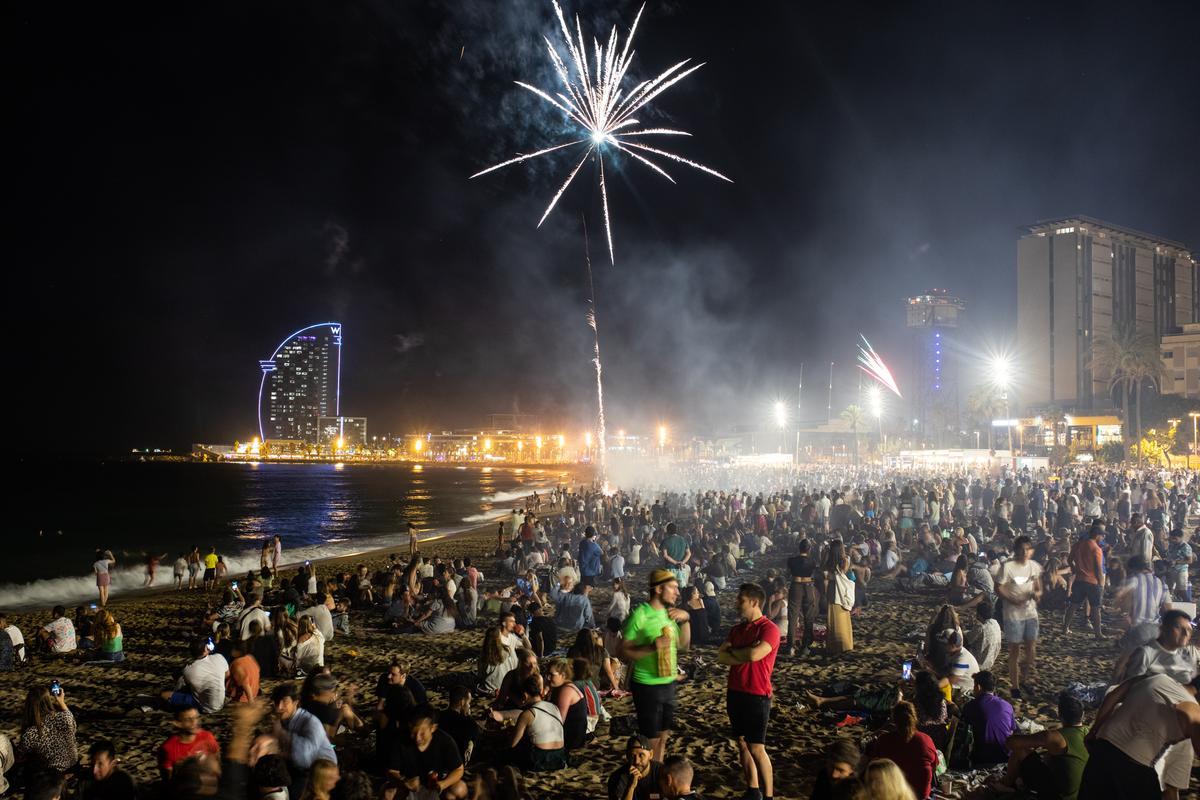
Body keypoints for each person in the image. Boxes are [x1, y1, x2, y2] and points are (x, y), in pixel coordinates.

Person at [1079, 672, 1200, 799]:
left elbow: (1113, 696)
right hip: (1134, 766)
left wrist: (1094, 731)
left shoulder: (1155, 677)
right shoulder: (1193, 708)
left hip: (1102, 750)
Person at [621, 569, 693, 763]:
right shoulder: (641, 614)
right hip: (647, 685)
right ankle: (649, 786)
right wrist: (652, 647)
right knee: (650, 742)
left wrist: (686, 619)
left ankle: (657, 777)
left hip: (668, 683)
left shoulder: (670, 614)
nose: (678, 592)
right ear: (659, 589)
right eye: (674, 588)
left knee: (663, 738)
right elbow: (623, 651)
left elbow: (683, 646)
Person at [717, 582, 779, 800]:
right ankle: (753, 790)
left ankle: (769, 795)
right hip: (735, 691)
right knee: (742, 744)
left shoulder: (769, 628)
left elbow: (756, 655)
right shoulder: (737, 629)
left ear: (754, 602)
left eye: (740, 600)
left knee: (757, 748)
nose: (737, 603)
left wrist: (735, 652)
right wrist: (741, 653)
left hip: (757, 694)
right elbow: (721, 657)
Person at [1003, 693, 1088, 800]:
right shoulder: (1090, 732)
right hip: (1085, 792)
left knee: (1021, 749)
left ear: (1060, 715)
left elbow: (1010, 742)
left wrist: (1033, 742)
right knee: (1049, 756)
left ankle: (1005, 784)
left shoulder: (1054, 737)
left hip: (1060, 796)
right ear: (1083, 715)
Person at [385, 703, 468, 799]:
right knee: (388, 792)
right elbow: (391, 772)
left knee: (460, 788)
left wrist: (442, 784)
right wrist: (403, 782)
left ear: (433, 728)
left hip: (437, 786)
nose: (417, 738)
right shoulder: (400, 741)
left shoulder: (445, 741)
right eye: (414, 732)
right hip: (410, 789)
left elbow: (459, 769)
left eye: (422, 733)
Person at [995, 536, 1043, 698]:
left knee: (1031, 649)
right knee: (1014, 650)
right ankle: (1015, 686)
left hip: (1030, 612)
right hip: (1013, 614)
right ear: (1016, 550)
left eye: (1027, 549)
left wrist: (1036, 594)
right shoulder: (1007, 567)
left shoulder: (1034, 567)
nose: (1024, 552)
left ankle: (1024, 678)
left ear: (1031, 551)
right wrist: (1011, 599)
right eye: (1021, 549)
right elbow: (998, 588)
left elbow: (1038, 588)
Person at [863, 701, 937, 800]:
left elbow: (873, 764)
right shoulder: (926, 739)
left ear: (893, 720)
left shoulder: (884, 740)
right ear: (914, 717)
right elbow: (934, 767)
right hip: (921, 795)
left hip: (893, 795)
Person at [273, 681, 337, 795]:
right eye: (277, 702)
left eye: (285, 702)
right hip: (302, 768)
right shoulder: (283, 721)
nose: (280, 707)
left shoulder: (310, 722)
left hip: (323, 772)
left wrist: (282, 734)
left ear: (295, 702)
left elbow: (304, 759)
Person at [495, 673, 567, 772]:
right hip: (560, 757)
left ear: (525, 695)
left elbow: (512, 744)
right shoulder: (554, 707)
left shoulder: (528, 714)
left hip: (540, 760)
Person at [1122, 608, 1199, 683]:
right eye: (1178, 628)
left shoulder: (1186, 654)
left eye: (1189, 630)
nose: (1185, 634)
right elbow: (1129, 687)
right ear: (1164, 629)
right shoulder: (1145, 654)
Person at [18, 685, 78, 773]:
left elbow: (20, 755)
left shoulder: (30, 733)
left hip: (53, 774)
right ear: (48, 701)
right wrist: (61, 701)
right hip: (74, 765)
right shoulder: (64, 717)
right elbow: (69, 715)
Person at [960, 670, 1014, 765]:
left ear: (978, 687)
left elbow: (963, 730)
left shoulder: (971, 705)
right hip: (1007, 756)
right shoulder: (1007, 705)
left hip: (983, 759)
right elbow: (1012, 730)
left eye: (974, 686)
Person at [162, 637, 229, 713]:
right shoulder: (219, 657)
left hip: (205, 707)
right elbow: (227, 674)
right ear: (205, 650)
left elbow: (186, 684)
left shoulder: (188, 670)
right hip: (220, 702)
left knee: (164, 695)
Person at [1063, 525, 1106, 639]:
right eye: (1102, 536)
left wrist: (1075, 569)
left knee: (1073, 606)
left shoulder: (1078, 545)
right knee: (1096, 609)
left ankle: (1065, 628)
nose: (1102, 538)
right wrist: (1101, 583)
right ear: (1097, 536)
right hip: (1092, 581)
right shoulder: (1096, 549)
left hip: (1080, 579)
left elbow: (1069, 560)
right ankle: (1098, 633)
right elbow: (1098, 568)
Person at [157, 707, 219, 779]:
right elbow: (168, 780)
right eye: (188, 719)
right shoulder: (168, 748)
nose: (194, 722)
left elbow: (216, 759)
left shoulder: (207, 736)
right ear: (177, 723)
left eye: (196, 717)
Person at [1113, 555, 1170, 628]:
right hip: (1156, 629)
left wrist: (1119, 606)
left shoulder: (1134, 580)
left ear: (1133, 569)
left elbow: (1119, 596)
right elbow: (1168, 609)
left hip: (1138, 628)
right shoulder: (1162, 584)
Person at [786, 539, 820, 657]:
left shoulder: (791, 560)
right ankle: (805, 646)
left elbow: (788, 573)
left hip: (796, 586)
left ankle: (790, 646)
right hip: (808, 587)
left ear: (798, 548)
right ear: (809, 549)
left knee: (793, 617)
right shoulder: (812, 561)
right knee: (808, 617)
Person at [608, 734, 664, 800]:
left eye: (641, 755)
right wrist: (631, 787)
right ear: (627, 756)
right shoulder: (617, 778)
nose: (636, 761)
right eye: (632, 756)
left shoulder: (661, 772)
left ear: (651, 754)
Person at [824, 540, 854, 656]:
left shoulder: (829, 562)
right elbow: (845, 572)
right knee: (843, 614)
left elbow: (822, 568)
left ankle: (833, 645)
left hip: (832, 587)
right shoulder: (844, 560)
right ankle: (845, 644)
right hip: (842, 588)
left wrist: (825, 555)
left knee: (832, 615)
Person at [438, 686, 480, 765]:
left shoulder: (438, 716)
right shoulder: (469, 723)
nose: (469, 706)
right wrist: (469, 717)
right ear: (462, 702)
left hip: (439, 758)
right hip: (457, 762)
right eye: (469, 703)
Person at [549, 571, 595, 636]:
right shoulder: (584, 600)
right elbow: (589, 616)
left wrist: (558, 583)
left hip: (561, 624)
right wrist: (593, 627)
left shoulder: (565, 596)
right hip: (576, 627)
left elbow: (552, 594)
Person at [478, 625, 519, 696]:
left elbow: (481, 676)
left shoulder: (485, 657)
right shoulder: (509, 650)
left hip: (493, 691)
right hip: (509, 687)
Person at [964, 599, 1001, 671]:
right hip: (990, 661)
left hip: (978, 663)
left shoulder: (980, 627)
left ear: (979, 615)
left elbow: (968, 639)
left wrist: (963, 628)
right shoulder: (995, 623)